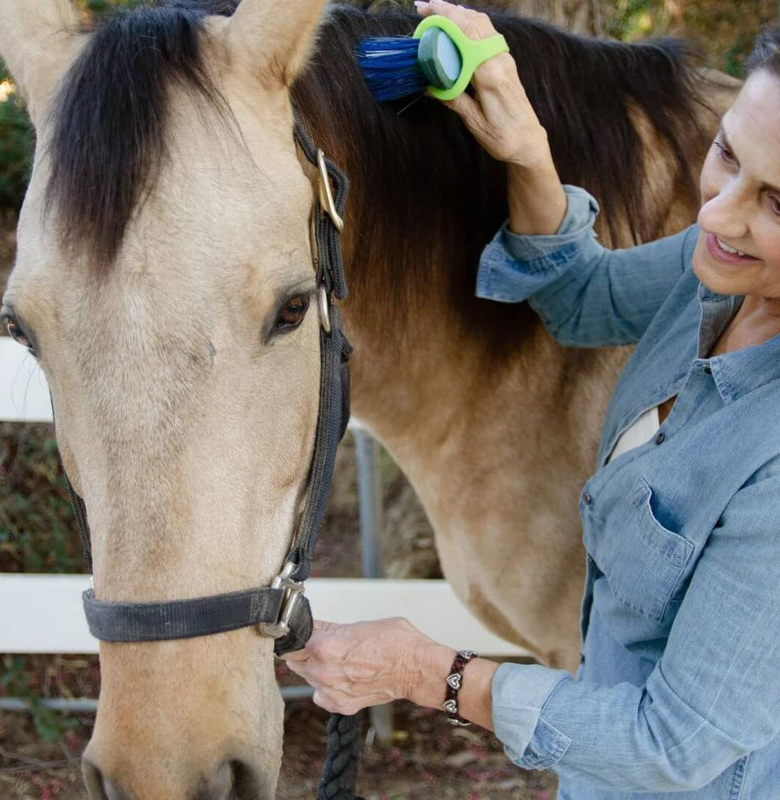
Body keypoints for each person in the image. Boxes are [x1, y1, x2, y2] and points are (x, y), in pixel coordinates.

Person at [283, 1, 780, 796]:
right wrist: (527, 149)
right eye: (728, 152)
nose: (718, 210)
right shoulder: (723, 269)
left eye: (777, 202)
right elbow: (583, 298)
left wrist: (425, 672)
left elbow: (671, 747)